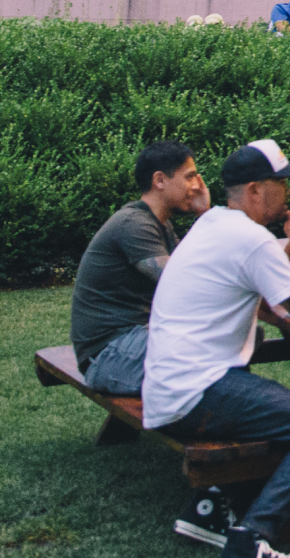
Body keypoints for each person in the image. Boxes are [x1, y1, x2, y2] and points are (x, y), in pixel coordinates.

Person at [139, 139, 290, 558]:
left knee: (273, 407)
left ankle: (210, 509)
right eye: (281, 183)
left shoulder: (213, 223)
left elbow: (262, 277)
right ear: (254, 190)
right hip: (195, 393)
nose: (288, 192)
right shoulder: (250, 239)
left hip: (166, 385)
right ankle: (250, 542)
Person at [70, 142, 210, 397]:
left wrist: (203, 215)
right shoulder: (134, 224)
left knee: (231, 336)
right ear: (159, 180)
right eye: (189, 177)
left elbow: (196, 268)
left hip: (134, 342)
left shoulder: (160, 225)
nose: (196, 186)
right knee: (217, 346)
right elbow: (183, 283)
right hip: (108, 355)